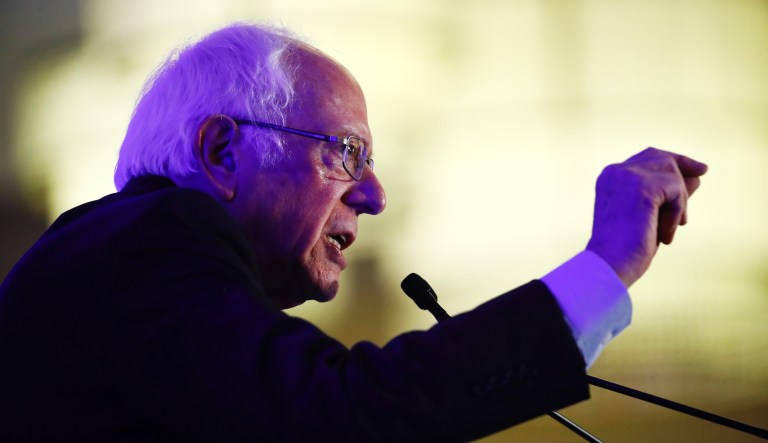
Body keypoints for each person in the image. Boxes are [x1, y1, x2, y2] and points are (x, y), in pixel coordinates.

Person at [0, 23, 707, 442]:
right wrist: (604, 269)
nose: (373, 195)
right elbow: (344, 413)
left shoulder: (123, 261)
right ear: (220, 152)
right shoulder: (149, 242)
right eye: (345, 153)